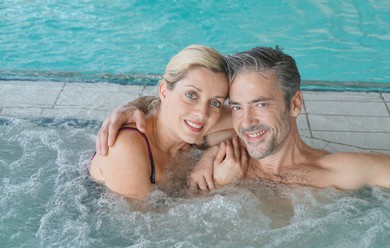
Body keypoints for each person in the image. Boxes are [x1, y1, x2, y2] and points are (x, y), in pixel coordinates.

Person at [96, 46, 390, 191]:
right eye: (235, 106)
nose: (246, 122)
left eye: (260, 104)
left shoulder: (337, 171)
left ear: (295, 103)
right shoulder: (211, 147)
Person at [89, 45, 245, 200]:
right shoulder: (125, 146)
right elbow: (144, 221)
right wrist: (216, 187)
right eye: (191, 95)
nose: (202, 113)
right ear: (164, 91)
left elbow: (258, 124)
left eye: (215, 102)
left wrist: (213, 152)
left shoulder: (191, 127)